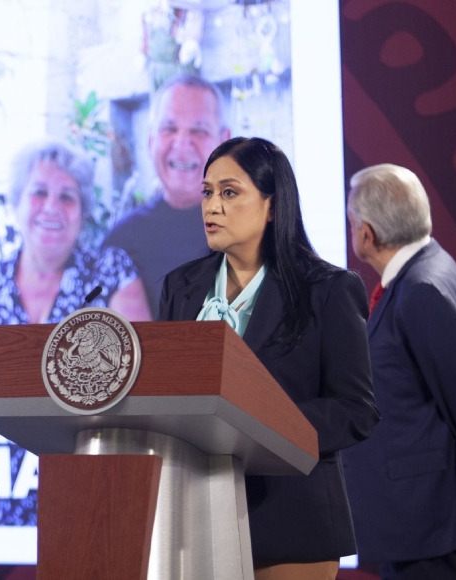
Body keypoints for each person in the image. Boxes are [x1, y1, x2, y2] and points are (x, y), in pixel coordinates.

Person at [157, 137, 378, 579]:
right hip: (193, 514)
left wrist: (262, 424)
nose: (211, 206)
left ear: (273, 206)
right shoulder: (179, 286)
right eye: (206, 192)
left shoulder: (328, 290)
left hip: (291, 518)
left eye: (229, 192)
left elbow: (356, 410)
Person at [0, 138, 151, 525]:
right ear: (17, 203)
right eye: (39, 192)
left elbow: (143, 393)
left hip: (85, 500)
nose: (52, 208)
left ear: (83, 212)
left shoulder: (110, 276)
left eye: (68, 197)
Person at [340, 164, 456, 579]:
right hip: (416, 527)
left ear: (366, 233)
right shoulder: (432, 265)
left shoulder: (421, 289)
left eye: (353, 223)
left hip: (429, 530)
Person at [105, 74, 231, 316]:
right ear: (151, 140)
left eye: (199, 130)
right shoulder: (122, 243)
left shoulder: (259, 233)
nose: (182, 144)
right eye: (169, 129)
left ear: (224, 141)